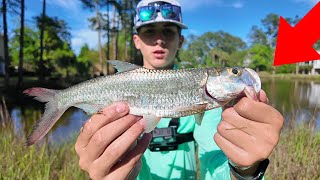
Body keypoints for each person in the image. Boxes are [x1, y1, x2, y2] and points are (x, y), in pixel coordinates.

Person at [74, 0, 284, 179]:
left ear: (180, 40)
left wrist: (244, 170)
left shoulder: (211, 105)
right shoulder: (117, 86)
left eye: (168, 31)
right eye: (149, 32)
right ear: (136, 41)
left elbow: (214, 159)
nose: (159, 39)